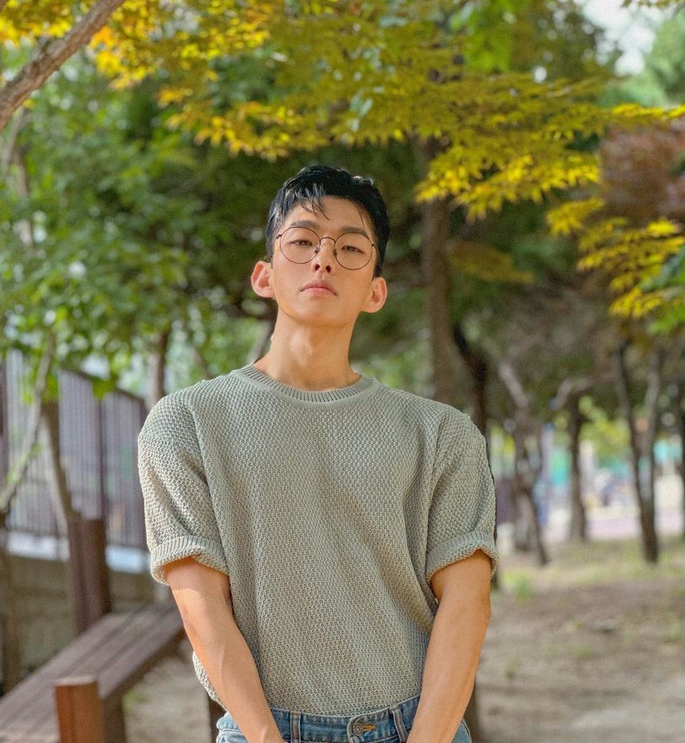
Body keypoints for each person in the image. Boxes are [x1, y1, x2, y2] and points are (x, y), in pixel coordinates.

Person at [138, 165, 499, 743]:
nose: (323, 259)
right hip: (263, 730)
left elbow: (467, 601)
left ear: (376, 291)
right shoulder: (186, 424)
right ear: (264, 275)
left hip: (417, 726)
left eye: (350, 248)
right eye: (303, 241)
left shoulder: (442, 434)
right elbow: (200, 606)